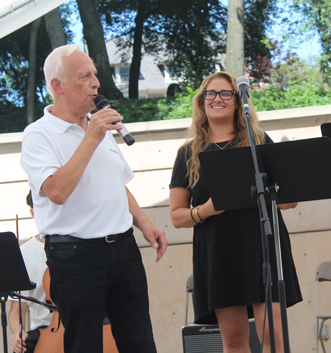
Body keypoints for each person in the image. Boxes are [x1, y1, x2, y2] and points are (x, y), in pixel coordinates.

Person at [20, 45, 167, 353]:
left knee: (140, 342)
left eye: (95, 75)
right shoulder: (38, 135)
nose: (95, 83)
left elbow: (116, 184)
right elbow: (57, 191)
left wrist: (144, 223)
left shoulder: (97, 128)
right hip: (76, 257)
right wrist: (91, 138)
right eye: (84, 76)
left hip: (124, 250)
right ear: (57, 87)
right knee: (84, 345)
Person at [169, 71, 302, 353]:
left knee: (275, 338)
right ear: (201, 101)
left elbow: (289, 202)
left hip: (261, 245)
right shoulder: (188, 153)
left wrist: (282, 183)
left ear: (237, 100)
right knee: (233, 342)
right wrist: (204, 210)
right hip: (218, 253)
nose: (217, 98)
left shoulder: (259, 141)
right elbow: (177, 215)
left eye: (225, 93)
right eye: (211, 93)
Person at [8, 191, 52, 353]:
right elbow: (16, 310)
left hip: (78, 326)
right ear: (33, 212)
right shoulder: (24, 253)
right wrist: (18, 333)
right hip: (43, 330)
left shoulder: (78, 246)